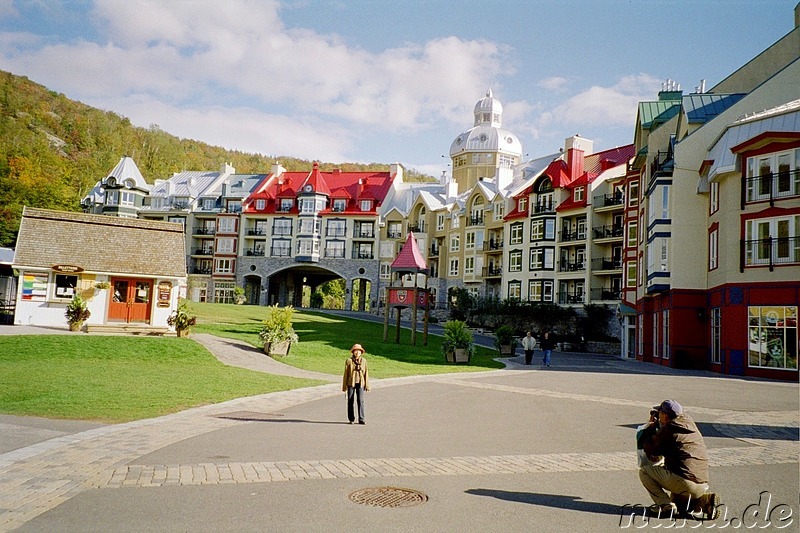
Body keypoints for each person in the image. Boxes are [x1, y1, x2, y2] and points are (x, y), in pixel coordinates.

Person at [638, 399, 720, 519]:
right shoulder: (690, 426)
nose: (658, 416)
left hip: (683, 482)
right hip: (701, 483)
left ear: (665, 415)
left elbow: (651, 449)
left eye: (659, 413)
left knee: (644, 471)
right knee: (679, 505)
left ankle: (665, 506)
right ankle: (706, 500)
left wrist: (651, 427)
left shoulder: (669, 429)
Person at [342, 343, 370, 425]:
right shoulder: (349, 361)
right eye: (355, 351)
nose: (357, 353)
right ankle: (351, 418)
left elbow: (366, 373)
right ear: (353, 352)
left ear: (361, 352)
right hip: (351, 383)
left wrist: (367, 385)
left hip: (360, 383)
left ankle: (361, 418)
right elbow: (346, 374)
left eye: (359, 351)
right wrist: (344, 386)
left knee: (360, 400)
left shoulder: (364, 361)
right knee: (350, 401)